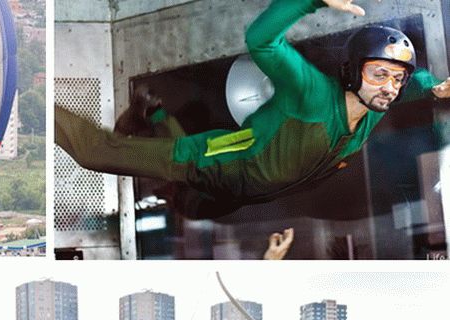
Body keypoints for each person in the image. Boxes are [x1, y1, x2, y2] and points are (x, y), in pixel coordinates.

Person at [55, 0, 450, 214]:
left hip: (237, 190)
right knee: (94, 154)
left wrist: (432, 88)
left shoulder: (375, 109)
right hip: (204, 161)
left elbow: (405, 89)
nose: (388, 88)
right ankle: (44, 111)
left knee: (198, 189)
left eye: (395, 79)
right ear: (351, 72)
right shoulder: (313, 94)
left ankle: (149, 114)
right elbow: (261, 40)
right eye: (379, 74)